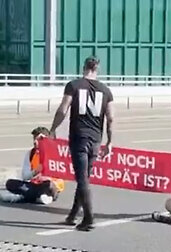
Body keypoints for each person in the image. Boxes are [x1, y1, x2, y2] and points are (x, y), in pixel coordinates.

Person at [50, 56, 114, 231]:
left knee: (82, 178)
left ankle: (88, 217)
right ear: (97, 69)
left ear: (83, 67)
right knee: (84, 177)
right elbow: (111, 118)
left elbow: (63, 109)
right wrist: (109, 141)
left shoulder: (74, 85)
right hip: (95, 139)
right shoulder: (106, 90)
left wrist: (53, 128)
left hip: (79, 136)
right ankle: (73, 215)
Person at [1, 127, 65, 204]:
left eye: (39, 139)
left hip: (49, 186)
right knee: (10, 183)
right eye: (34, 139)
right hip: (33, 185)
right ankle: (38, 197)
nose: (35, 142)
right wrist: (35, 172)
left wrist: (47, 178)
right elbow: (25, 176)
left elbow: (61, 178)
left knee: (48, 185)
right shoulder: (31, 154)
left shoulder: (55, 154)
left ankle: (25, 196)